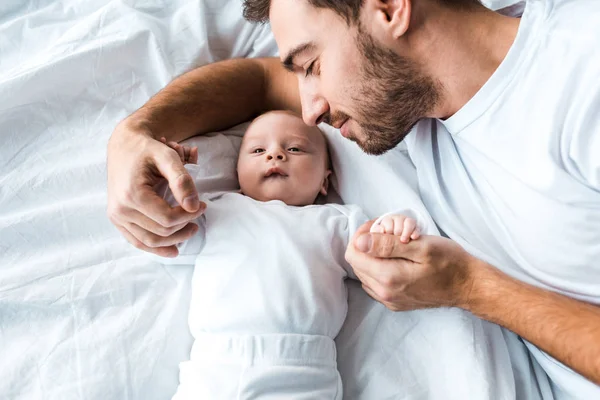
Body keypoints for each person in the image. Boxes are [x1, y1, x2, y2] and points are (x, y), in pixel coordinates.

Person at [107, 0, 600, 396]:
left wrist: (469, 287)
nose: (309, 107)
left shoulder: (581, 85)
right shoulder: (410, 89)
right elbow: (259, 81)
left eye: (312, 65)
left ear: (389, 9)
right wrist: (135, 133)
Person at [156, 110, 424, 399]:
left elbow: (378, 258)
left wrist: (393, 226)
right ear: (237, 173)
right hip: (215, 364)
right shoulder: (216, 211)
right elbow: (169, 234)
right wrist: (173, 179)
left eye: (294, 148)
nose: (275, 155)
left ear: (325, 180)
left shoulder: (337, 221)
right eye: (258, 150)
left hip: (302, 369)